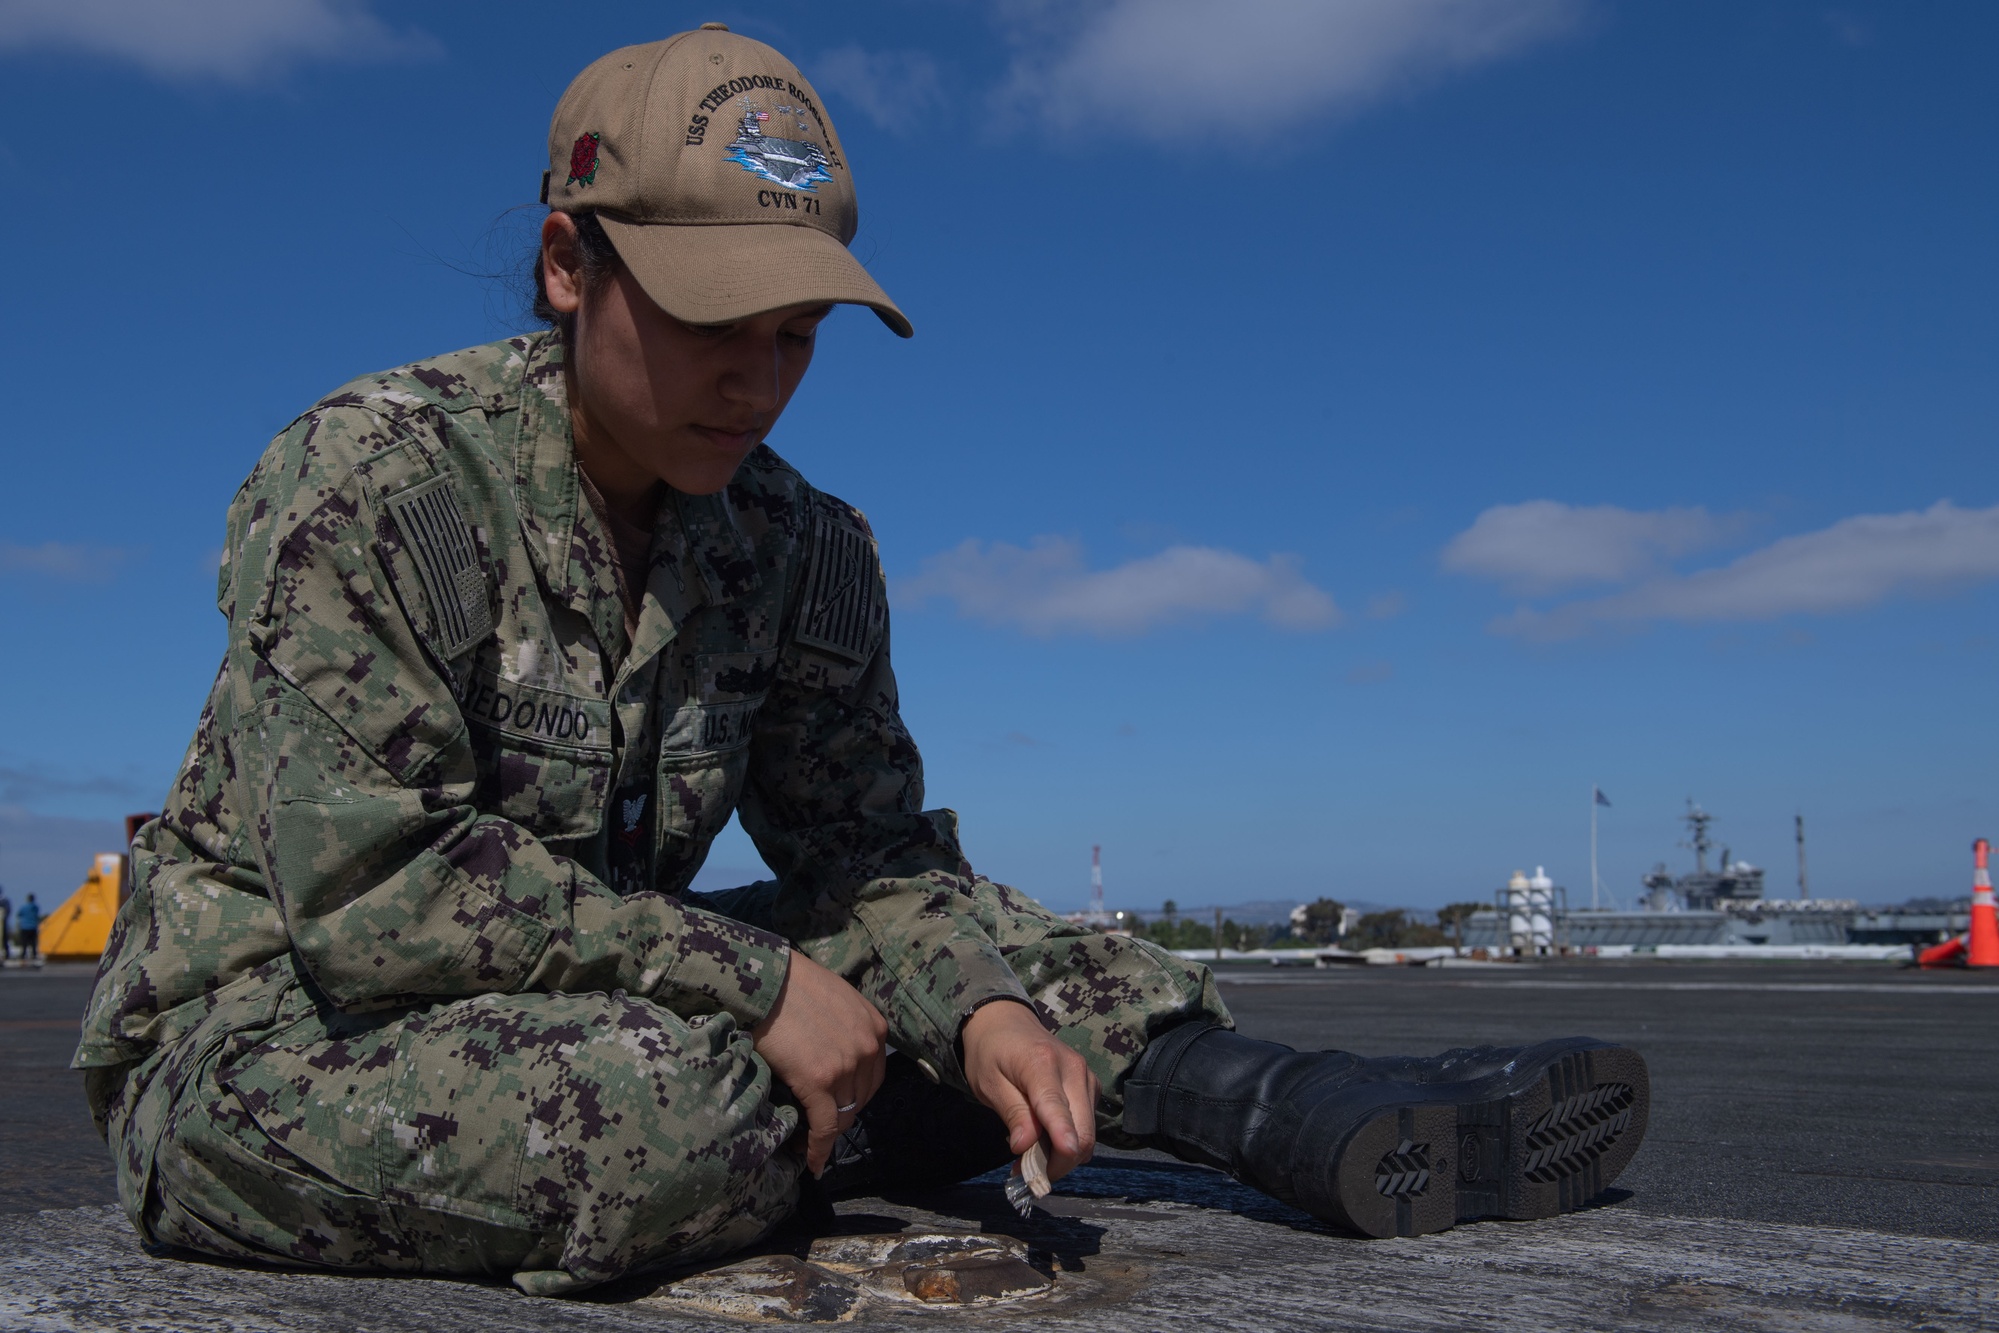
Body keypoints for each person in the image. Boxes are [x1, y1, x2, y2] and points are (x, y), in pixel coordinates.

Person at [74, 26, 1649, 1296]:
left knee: (1013, 955)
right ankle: (869, 1109)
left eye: (799, 334)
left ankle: (1284, 1104)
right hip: (277, 1044)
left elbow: (869, 855)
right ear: (570, 266)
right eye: (716, 321)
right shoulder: (376, 484)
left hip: (584, 988)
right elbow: (377, 898)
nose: (759, 380)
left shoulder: (798, 544)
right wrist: (757, 981)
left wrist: (971, 1008)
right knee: (657, 1117)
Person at [16, 893, 40, 964]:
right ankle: (34, 955)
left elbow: (19, 914)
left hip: (24, 926)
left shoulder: (23, 907)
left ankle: (23, 955)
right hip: (33, 926)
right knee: (33, 942)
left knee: (24, 942)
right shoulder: (35, 907)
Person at [0, 886, 11, 962]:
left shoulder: (4, 901)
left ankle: (6, 954)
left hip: (2, 922)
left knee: (4, 939)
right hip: (3, 922)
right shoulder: (5, 901)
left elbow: (7, 911)